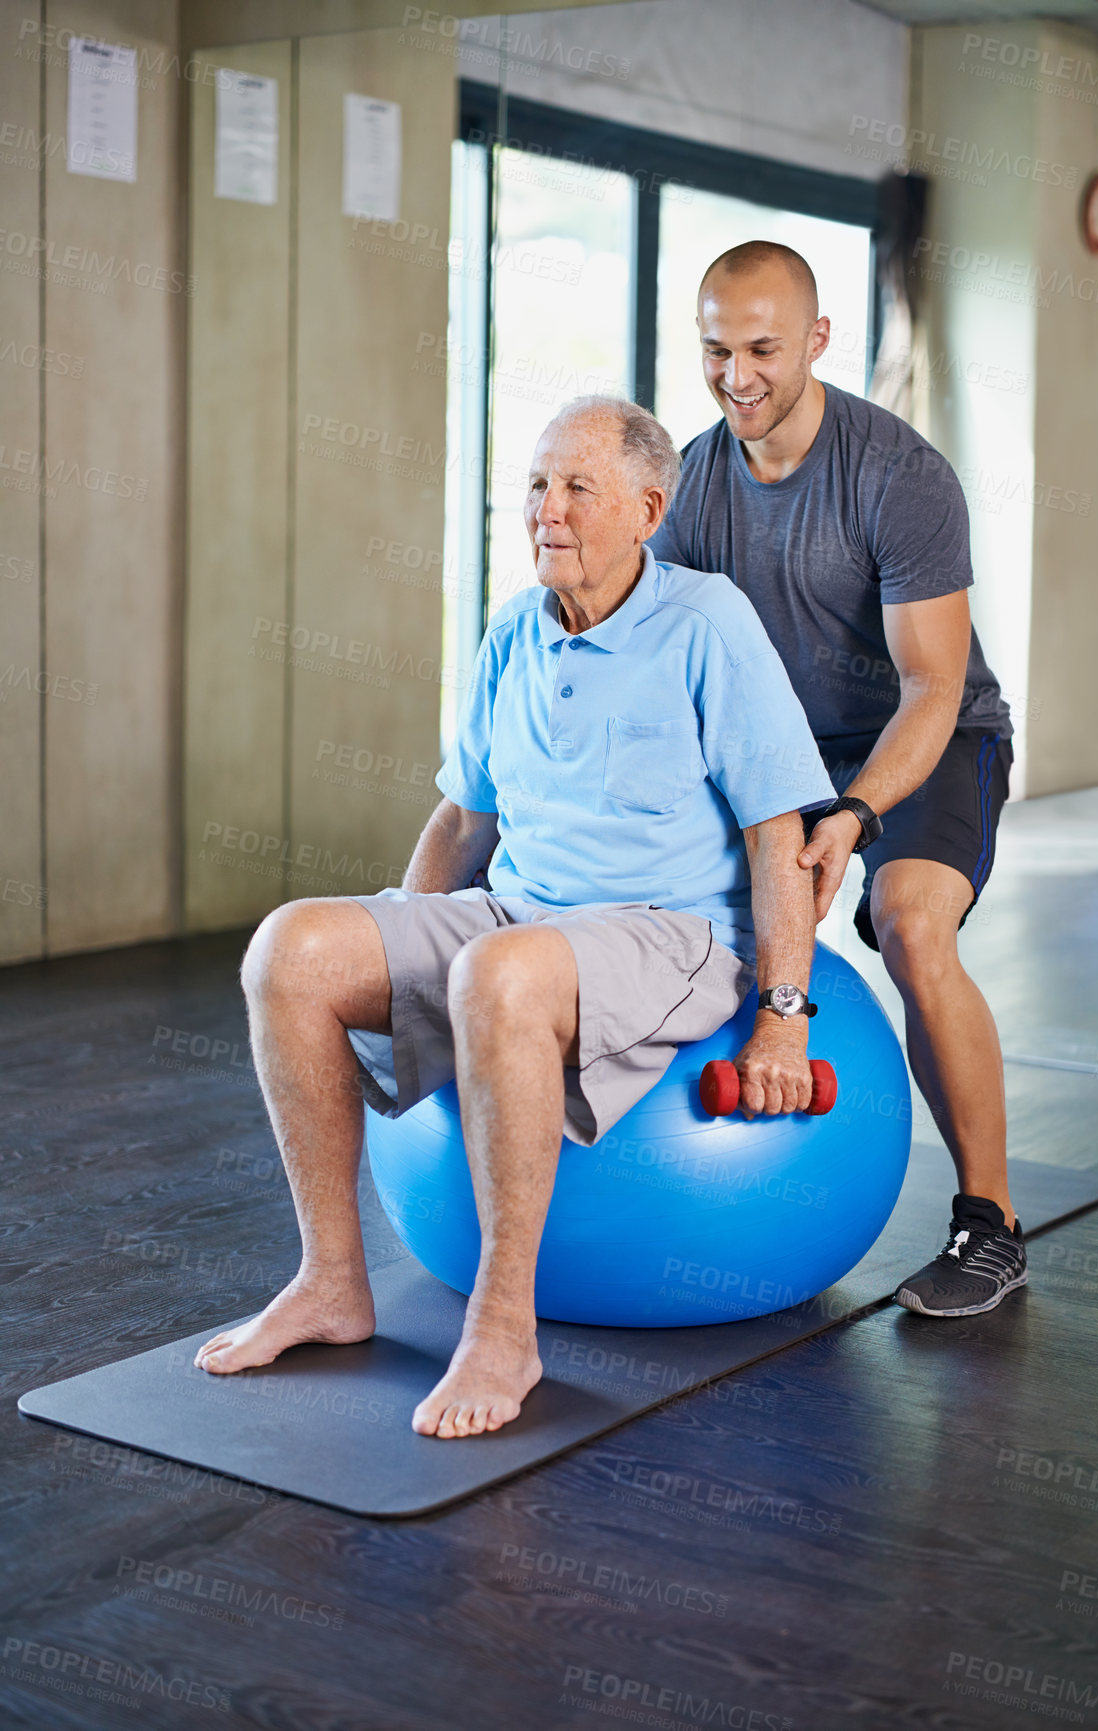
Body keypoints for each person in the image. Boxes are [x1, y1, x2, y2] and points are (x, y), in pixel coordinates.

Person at [194, 395, 835, 1437]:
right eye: (538, 484)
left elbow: (776, 836)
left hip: (669, 932)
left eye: (579, 487)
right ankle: (330, 1282)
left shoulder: (708, 623)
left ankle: (503, 1329)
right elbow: (464, 813)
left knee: (500, 972)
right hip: (522, 910)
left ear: (648, 509)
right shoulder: (513, 628)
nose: (548, 508)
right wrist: (395, 937)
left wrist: (785, 1016)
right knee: (292, 948)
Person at [647, 241, 1026, 1319]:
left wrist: (855, 817)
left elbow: (932, 686)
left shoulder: (899, 476)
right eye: (716, 350)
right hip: (784, 752)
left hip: (930, 738)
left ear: (817, 339)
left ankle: (990, 1225)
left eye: (762, 348)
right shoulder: (694, 484)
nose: (736, 376)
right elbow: (676, 663)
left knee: (908, 923)